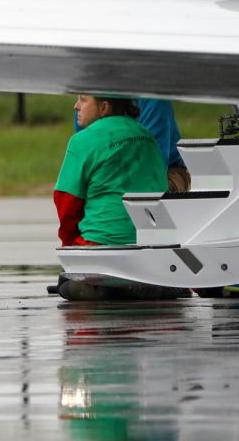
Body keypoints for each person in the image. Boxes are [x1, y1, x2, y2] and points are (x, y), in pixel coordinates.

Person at [54, 95, 189, 300]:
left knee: (65, 285)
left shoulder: (81, 141)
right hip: (148, 253)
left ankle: (109, 287)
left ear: (104, 107)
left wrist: (71, 249)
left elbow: (66, 203)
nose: (76, 106)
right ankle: (149, 285)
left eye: (82, 100)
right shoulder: (147, 137)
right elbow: (160, 193)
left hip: (99, 249)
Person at [74, 98, 191, 193]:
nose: (77, 106)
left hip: (166, 171)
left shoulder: (153, 99)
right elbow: (85, 161)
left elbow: (153, 167)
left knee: (146, 196)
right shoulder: (88, 101)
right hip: (112, 171)